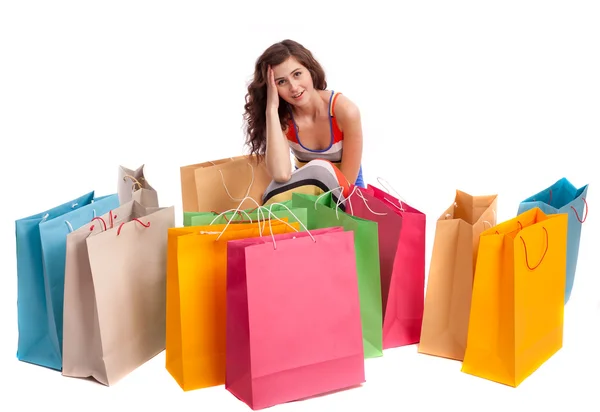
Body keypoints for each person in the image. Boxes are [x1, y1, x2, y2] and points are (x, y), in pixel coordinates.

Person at [243, 39, 365, 205]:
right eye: (281, 82)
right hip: (308, 196)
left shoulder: (345, 111)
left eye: (297, 74)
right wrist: (271, 109)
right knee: (272, 191)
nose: (293, 87)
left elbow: (346, 187)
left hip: (347, 199)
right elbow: (281, 175)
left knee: (320, 168)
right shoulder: (283, 119)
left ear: (310, 70)